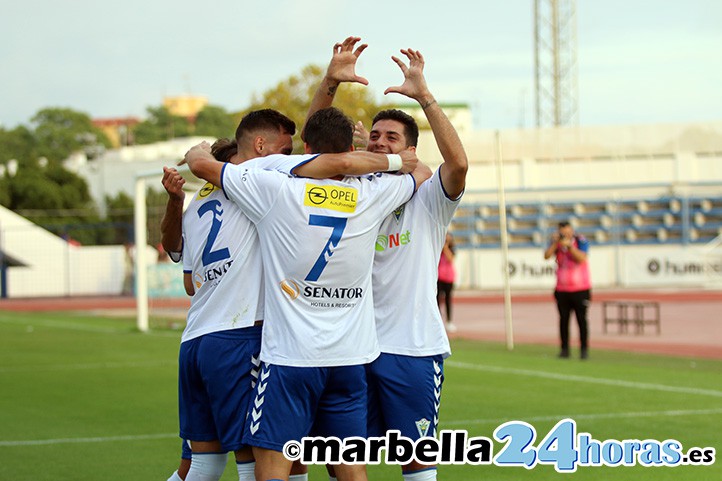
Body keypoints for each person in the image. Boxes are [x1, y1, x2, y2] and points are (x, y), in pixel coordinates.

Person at [162, 108, 419, 481]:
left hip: (212, 339)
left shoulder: (262, 191)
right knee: (331, 464)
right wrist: (393, 159)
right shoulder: (370, 193)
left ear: (309, 148)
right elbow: (417, 171)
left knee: (214, 464)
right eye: (286, 151)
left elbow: (187, 277)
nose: (291, 158)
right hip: (321, 350)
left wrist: (194, 155)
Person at [307, 38, 468, 481]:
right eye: (374, 136)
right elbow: (310, 148)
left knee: (416, 464)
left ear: (410, 149)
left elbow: (458, 164)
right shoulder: (349, 192)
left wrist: (425, 98)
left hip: (411, 350)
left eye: (391, 137)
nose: (380, 142)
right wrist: (329, 83)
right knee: (340, 462)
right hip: (351, 348)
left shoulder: (428, 197)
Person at [543, 221, 592, 359]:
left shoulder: (580, 240)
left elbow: (582, 258)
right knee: (563, 320)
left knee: (581, 320)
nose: (565, 234)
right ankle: (564, 349)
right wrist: (555, 243)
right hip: (562, 289)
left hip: (580, 288)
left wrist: (570, 247)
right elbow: (546, 256)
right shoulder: (556, 243)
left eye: (567, 231)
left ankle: (584, 350)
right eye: (562, 232)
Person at [437, 232, 457, 333]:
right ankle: (438, 321)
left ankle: (449, 321)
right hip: (439, 277)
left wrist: (445, 248)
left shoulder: (452, 249)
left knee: (448, 300)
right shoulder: (437, 249)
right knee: (437, 300)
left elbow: (451, 258)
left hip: (449, 278)